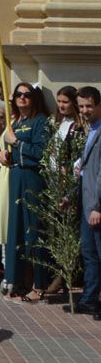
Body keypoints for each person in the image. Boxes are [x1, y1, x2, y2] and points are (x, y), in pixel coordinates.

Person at [1, 82, 50, 300]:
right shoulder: (14, 122)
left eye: (27, 95)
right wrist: (3, 155)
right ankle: (16, 281)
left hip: (32, 180)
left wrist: (17, 143)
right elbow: (13, 151)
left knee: (34, 230)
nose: (22, 98)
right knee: (16, 230)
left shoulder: (40, 122)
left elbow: (41, 152)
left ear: (34, 98)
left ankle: (39, 284)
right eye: (18, 95)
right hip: (16, 178)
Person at [41, 87, 82, 300]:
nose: (61, 105)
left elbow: (78, 154)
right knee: (56, 231)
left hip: (71, 184)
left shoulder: (79, 127)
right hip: (55, 182)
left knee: (70, 233)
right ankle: (59, 272)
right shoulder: (57, 123)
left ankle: (64, 275)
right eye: (58, 101)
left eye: (65, 101)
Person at [76, 87, 101, 322]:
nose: (84, 111)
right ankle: (90, 297)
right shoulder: (89, 129)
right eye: (81, 106)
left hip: (96, 206)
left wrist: (97, 206)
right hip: (86, 203)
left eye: (89, 106)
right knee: (90, 254)